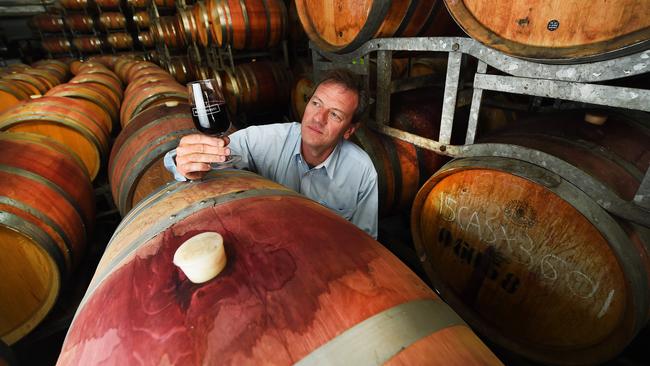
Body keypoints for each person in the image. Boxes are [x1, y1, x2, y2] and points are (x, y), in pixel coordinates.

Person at [164, 69, 379, 238]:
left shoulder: (362, 171)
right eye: (316, 103)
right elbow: (218, 150)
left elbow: (366, 241)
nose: (317, 118)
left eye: (334, 114)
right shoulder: (271, 139)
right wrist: (184, 161)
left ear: (349, 130)